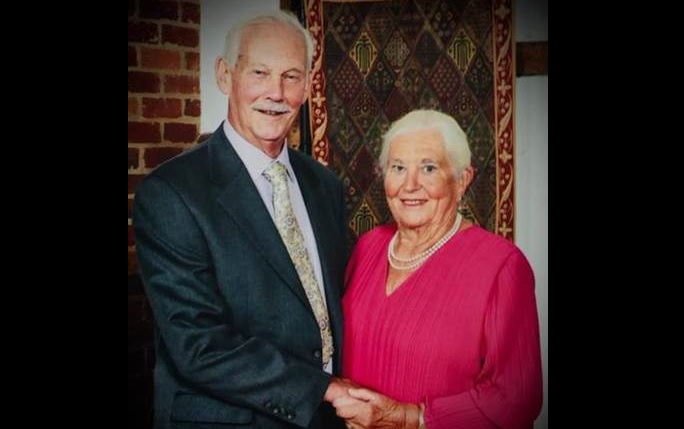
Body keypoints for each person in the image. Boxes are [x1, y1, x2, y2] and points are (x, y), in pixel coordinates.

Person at [133, 11, 354, 429]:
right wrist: (321, 389)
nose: (276, 92)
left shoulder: (324, 185)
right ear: (224, 75)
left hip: (327, 419)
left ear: (308, 86)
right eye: (260, 72)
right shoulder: (172, 193)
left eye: (291, 76)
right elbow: (198, 344)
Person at [331, 110, 543, 429]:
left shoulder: (502, 266)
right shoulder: (368, 247)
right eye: (398, 168)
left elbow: (515, 399)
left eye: (428, 168)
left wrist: (407, 418)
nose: (410, 185)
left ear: (462, 180)